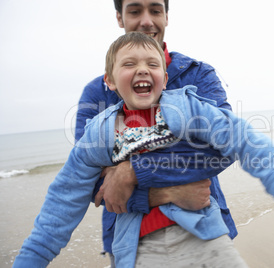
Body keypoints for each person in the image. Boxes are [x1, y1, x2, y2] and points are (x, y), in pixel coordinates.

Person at [14, 32, 274, 267]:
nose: (142, 70)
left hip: (205, 236)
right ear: (109, 80)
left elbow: (243, 139)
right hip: (138, 249)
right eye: (129, 64)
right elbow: (63, 202)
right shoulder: (99, 134)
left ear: (165, 76)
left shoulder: (189, 108)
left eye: (152, 64)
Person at [74, 1, 237, 265]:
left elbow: (224, 146)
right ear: (119, 17)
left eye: (155, 10)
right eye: (135, 11)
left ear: (167, 16)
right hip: (130, 242)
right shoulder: (96, 93)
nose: (147, 21)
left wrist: (131, 171)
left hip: (204, 226)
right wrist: (166, 193)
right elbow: (90, 180)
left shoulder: (197, 75)